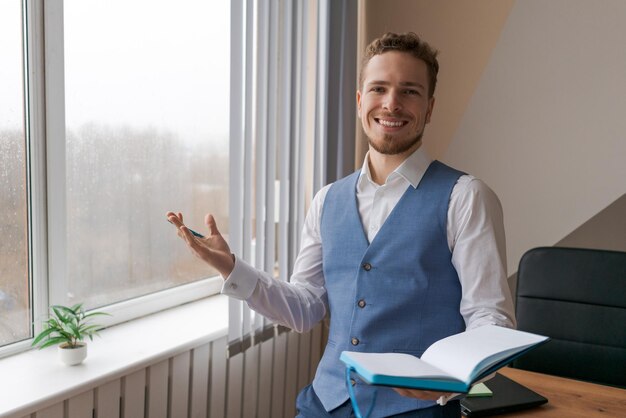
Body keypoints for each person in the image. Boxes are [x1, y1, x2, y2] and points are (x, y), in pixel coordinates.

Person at [167, 32, 515, 418]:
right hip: (325, 402)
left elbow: (491, 320)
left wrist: (446, 381)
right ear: (360, 100)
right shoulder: (326, 200)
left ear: (429, 108)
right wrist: (231, 268)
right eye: (378, 88)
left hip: (421, 411)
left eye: (410, 91)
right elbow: (305, 308)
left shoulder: (466, 197)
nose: (392, 103)